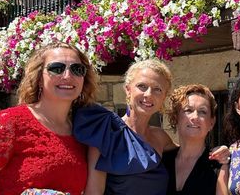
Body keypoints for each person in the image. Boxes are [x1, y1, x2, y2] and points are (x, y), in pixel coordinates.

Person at [0, 42, 98, 195]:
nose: (68, 76)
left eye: (77, 69)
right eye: (57, 68)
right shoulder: (10, 122)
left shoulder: (83, 131)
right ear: (39, 78)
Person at [73, 59, 177, 195]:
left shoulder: (161, 137)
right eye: (142, 86)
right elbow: (94, 191)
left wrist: (213, 152)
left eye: (157, 89)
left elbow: (189, 155)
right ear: (128, 90)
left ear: (164, 97)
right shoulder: (107, 132)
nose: (149, 94)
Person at [163, 84, 227, 195]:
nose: (195, 117)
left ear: (211, 123)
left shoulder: (219, 165)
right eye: (188, 110)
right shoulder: (161, 161)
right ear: (175, 118)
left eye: (202, 111)